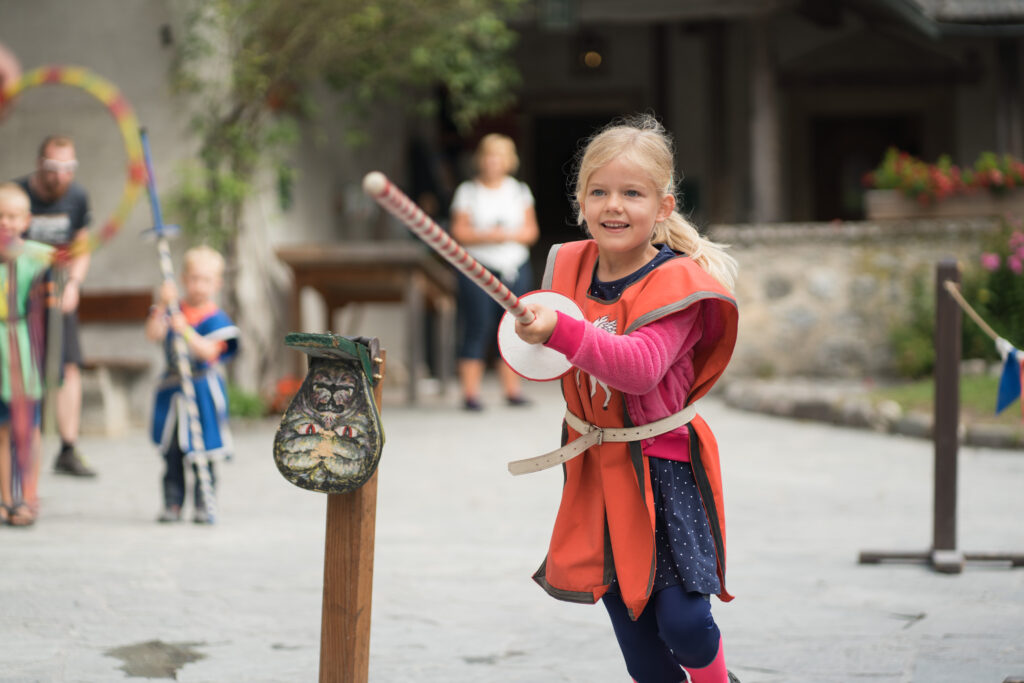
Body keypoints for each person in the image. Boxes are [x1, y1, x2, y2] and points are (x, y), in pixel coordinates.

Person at [513, 115, 741, 683]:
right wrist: (526, 333)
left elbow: (638, 370)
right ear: (580, 201)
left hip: (665, 467)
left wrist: (560, 332)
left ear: (663, 207)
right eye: (600, 192)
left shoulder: (679, 284)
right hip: (599, 467)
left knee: (684, 622)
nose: (614, 205)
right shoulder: (568, 268)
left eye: (632, 193)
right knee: (641, 649)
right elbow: (547, 363)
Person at [14, 135, 95, 477]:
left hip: (60, 293)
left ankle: (68, 448)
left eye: (68, 168)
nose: (61, 176)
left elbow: (82, 245)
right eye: (54, 168)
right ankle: (21, 447)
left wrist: (74, 283)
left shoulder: (77, 197)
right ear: (40, 164)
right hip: (20, 296)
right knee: (23, 370)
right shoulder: (17, 195)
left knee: (69, 368)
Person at [145, 246, 239, 524]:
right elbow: (153, 334)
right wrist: (163, 305)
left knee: (204, 450)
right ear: (185, 279)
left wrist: (184, 329)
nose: (199, 286)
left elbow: (210, 352)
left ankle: (203, 503)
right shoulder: (173, 310)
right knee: (173, 450)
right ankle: (172, 503)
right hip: (174, 390)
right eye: (195, 278)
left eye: (206, 280)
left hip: (203, 390)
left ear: (217, 283)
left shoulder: (217, 318)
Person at [450, 133, 539, 411]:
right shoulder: (468, 191)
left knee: (514, 326)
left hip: (514, 266)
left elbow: (531, 231)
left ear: (508, 161)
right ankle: (471, 393)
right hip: (478, 267)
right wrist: (493, 235)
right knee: (477, 325)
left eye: (499, 156)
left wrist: (505, 236)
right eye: (489, 156)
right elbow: (459, 232)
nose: (493, 162)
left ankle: (512, 390)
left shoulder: (518, 190)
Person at [0, 183, 55, 527]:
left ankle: (28, 496)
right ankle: (6, 498)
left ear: (26, 220)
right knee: (2, 430)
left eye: (12, 216)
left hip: (22, 345)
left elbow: (67, 264)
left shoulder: (38, 255)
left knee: (28, 428)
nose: (5, 222)